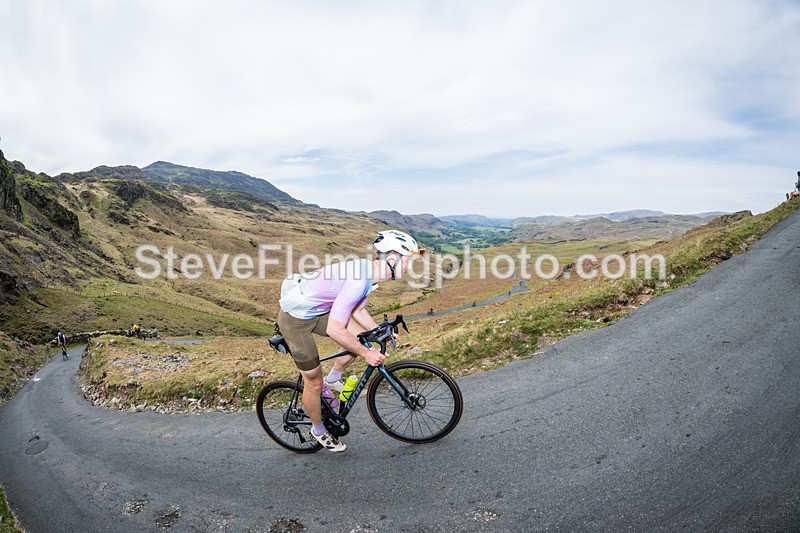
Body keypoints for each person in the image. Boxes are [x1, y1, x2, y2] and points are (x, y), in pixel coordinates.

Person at [277, 230, 425, 452]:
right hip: (295, 321)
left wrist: (378, 331)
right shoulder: (359, 280)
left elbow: (358, 310)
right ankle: (318, 430)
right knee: (314, 381)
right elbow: (335, 329)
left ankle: (333, 379)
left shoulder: (368, 275)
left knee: (362, 339)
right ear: (393, 257)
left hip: (319, 312)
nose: (410, 267)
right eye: (408, 261)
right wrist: (367, 354)